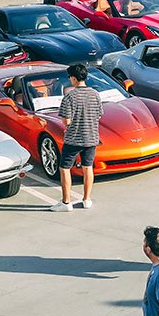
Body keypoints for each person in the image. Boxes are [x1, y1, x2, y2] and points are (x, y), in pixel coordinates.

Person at [54, 63, 103, 210]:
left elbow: (66, 120)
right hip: (91, 138)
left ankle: (66, 202)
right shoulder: (95, 94)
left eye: (70, 77)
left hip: (73, 139)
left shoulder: (69, 96)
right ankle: (87, 200)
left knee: (65, 168)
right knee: (88, 168)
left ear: (74, 78)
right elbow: (99, 115)